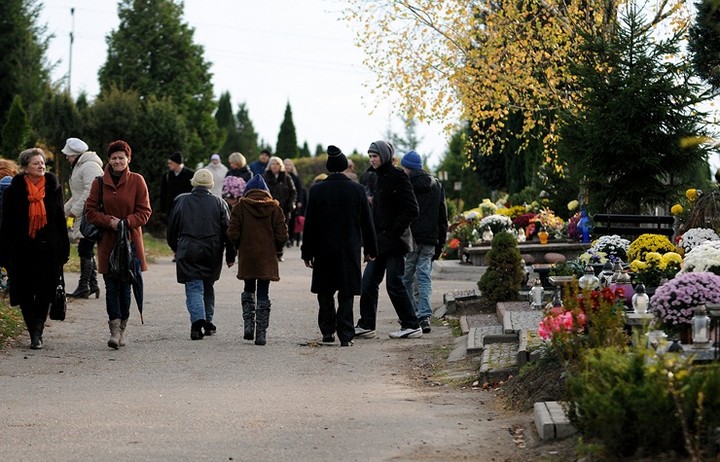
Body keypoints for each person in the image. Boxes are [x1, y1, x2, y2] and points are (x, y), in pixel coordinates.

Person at [301, 146, 377, 346]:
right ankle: (346, 334)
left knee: (325, 292)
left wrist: (306, 252)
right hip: (348, 248)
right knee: (346, 292)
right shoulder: (357, 190)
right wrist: (370, 250)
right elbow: (366, 223)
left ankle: (327, 331)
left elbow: (310, 225)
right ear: (345, 166)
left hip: (323, 248)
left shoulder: (317, 190)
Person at [0, 148, 70, 349]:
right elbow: (6, 224)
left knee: (45, 291)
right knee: (24, 292)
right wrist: (3, 253)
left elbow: (59, 221)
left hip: (49, 250)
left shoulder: (54, 189)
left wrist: (64, 249)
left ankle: (37, 330)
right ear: (24, 168)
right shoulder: (13, 192)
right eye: (36, 163)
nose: (41, 166)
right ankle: (33, 331)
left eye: (42, 163)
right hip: (21, 251)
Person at [85, 140, 151, 349]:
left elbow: (145, 212)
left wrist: (125, 223)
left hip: (130, 242)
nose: (118, 161)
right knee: (111, 286)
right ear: (108, 160)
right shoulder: (99, 182)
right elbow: (91, 211)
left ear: (128, 159)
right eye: (114, 158)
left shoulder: (137, 181)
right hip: (108, 242)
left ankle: (122, 328)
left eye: (121, 157)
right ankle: (113, 330)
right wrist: (109, 223)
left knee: (126, 286)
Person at [355, 140, 422, 339]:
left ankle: (411, 324)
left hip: (395, 241)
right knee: (367, 283)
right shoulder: (374, 178)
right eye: (370, 156)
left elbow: (412, 209)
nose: (371, 159)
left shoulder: (398, 177)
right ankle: (367, 324)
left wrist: (393, 232)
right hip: (379, 242)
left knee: (394, 283)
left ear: (383, 156)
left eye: (374, 156)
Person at [167, 169, 235, 340]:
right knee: (208, 286)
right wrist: (230, 255)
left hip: (188, 248)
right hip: (212, 250)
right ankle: (208, 322)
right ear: (210, 185)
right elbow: (229, 232)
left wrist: (176, 247)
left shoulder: (181, 201)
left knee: (193, 286)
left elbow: (172, 229)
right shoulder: (220, 203)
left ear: (194, 183)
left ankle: (198, 321)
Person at [227, 175, 288, 346]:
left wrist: (239, 245)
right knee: (263, 292)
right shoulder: (275, 208)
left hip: (247, 255)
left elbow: (232, 232)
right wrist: (277, 248)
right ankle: (261, 333)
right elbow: (282, 235)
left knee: (248, 288)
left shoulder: (240, 207)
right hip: (266, 257)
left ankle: (248, 326)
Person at [399, 150, 448, 334]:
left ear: (408, 167)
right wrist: (440, 243)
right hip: (430, 238)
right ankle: (424, 315)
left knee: (406, 277)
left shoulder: (406, 185)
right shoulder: (436, 184)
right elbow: (443, 217)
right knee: (424, 275)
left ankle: (409, 313)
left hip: (411, 238)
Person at [61, 137, 104, 299]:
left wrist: (75, 211)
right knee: (85, 249)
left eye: (69, 155)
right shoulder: (81, 166)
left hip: (90, 215)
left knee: (85, 249)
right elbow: (78, 194)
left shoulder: (90, 166)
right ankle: (92, 285)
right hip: (84, 214)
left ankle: (84, 286)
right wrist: (64, 211)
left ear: (76, 154)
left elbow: (90, 192)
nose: (67, 157)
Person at [263, 156, 296, 261]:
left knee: (281, 232)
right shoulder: (265, 177)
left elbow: (293, 192)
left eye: (277, 164)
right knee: (269, 231)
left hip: (283, 209)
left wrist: (291, 204)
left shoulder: (286, 177)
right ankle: (269, 253)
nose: (275, 166)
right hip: (269, 209)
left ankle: (279, 252)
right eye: (272, 164)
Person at [159, 151, 194, 222]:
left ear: (177, 163)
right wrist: (162, 209)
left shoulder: (191, 175)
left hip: (185, 208)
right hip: (171, 209)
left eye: (170, 163)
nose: (169, 165)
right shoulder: (167, 175)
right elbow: (163, 192)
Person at [283, 158, 306, 247]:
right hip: (283, 201)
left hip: (293, 202)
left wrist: (299, 201)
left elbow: (299, 190)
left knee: (292, 221)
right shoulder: (281, 177)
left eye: (289, 165)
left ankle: (291, 238)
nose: (287, 167)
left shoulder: (295, 178)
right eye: (286, 165)